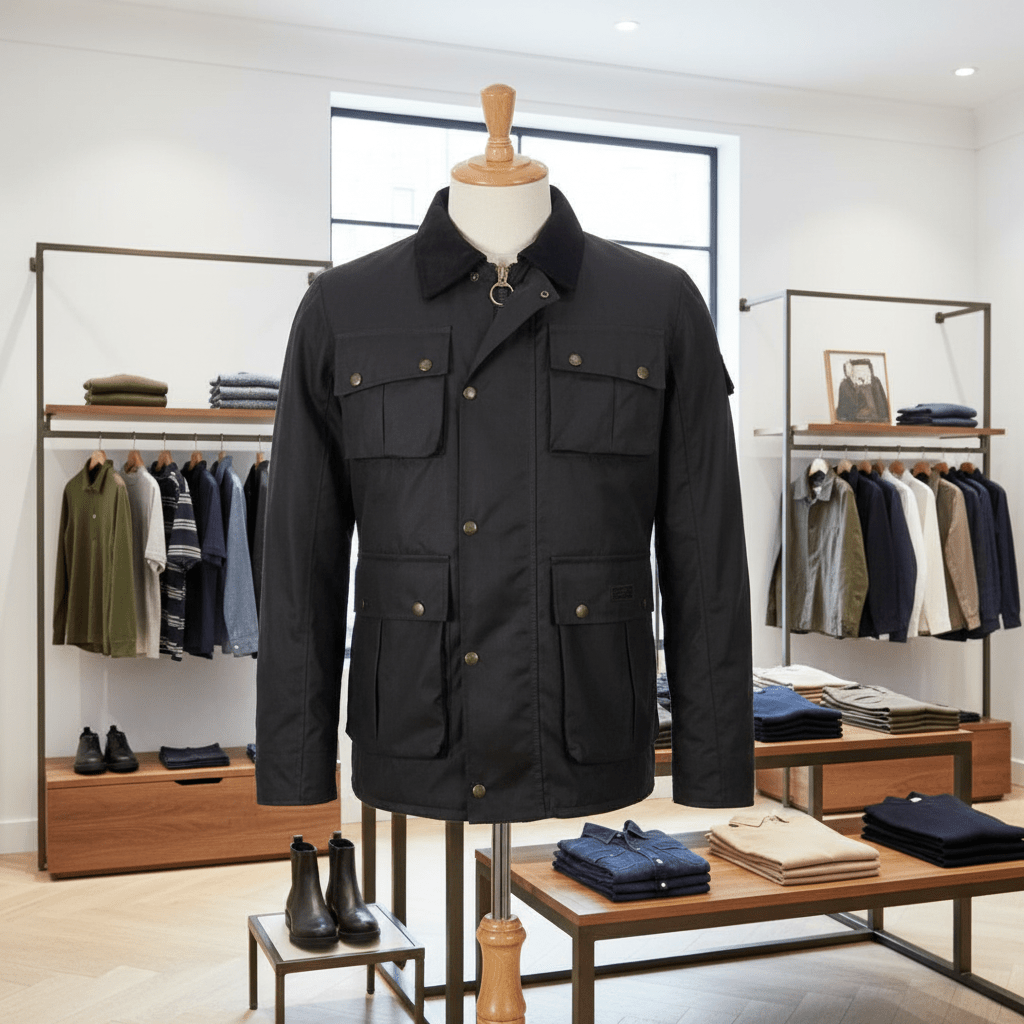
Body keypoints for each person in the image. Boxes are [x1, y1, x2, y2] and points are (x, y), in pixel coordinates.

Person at [836, 357, 890, 422]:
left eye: (865, 371)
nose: (862, 375)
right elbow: (843, 413)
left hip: (876, 421)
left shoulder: (875, 382)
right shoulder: (845, 385)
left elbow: (882, 407)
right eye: (858, 371)